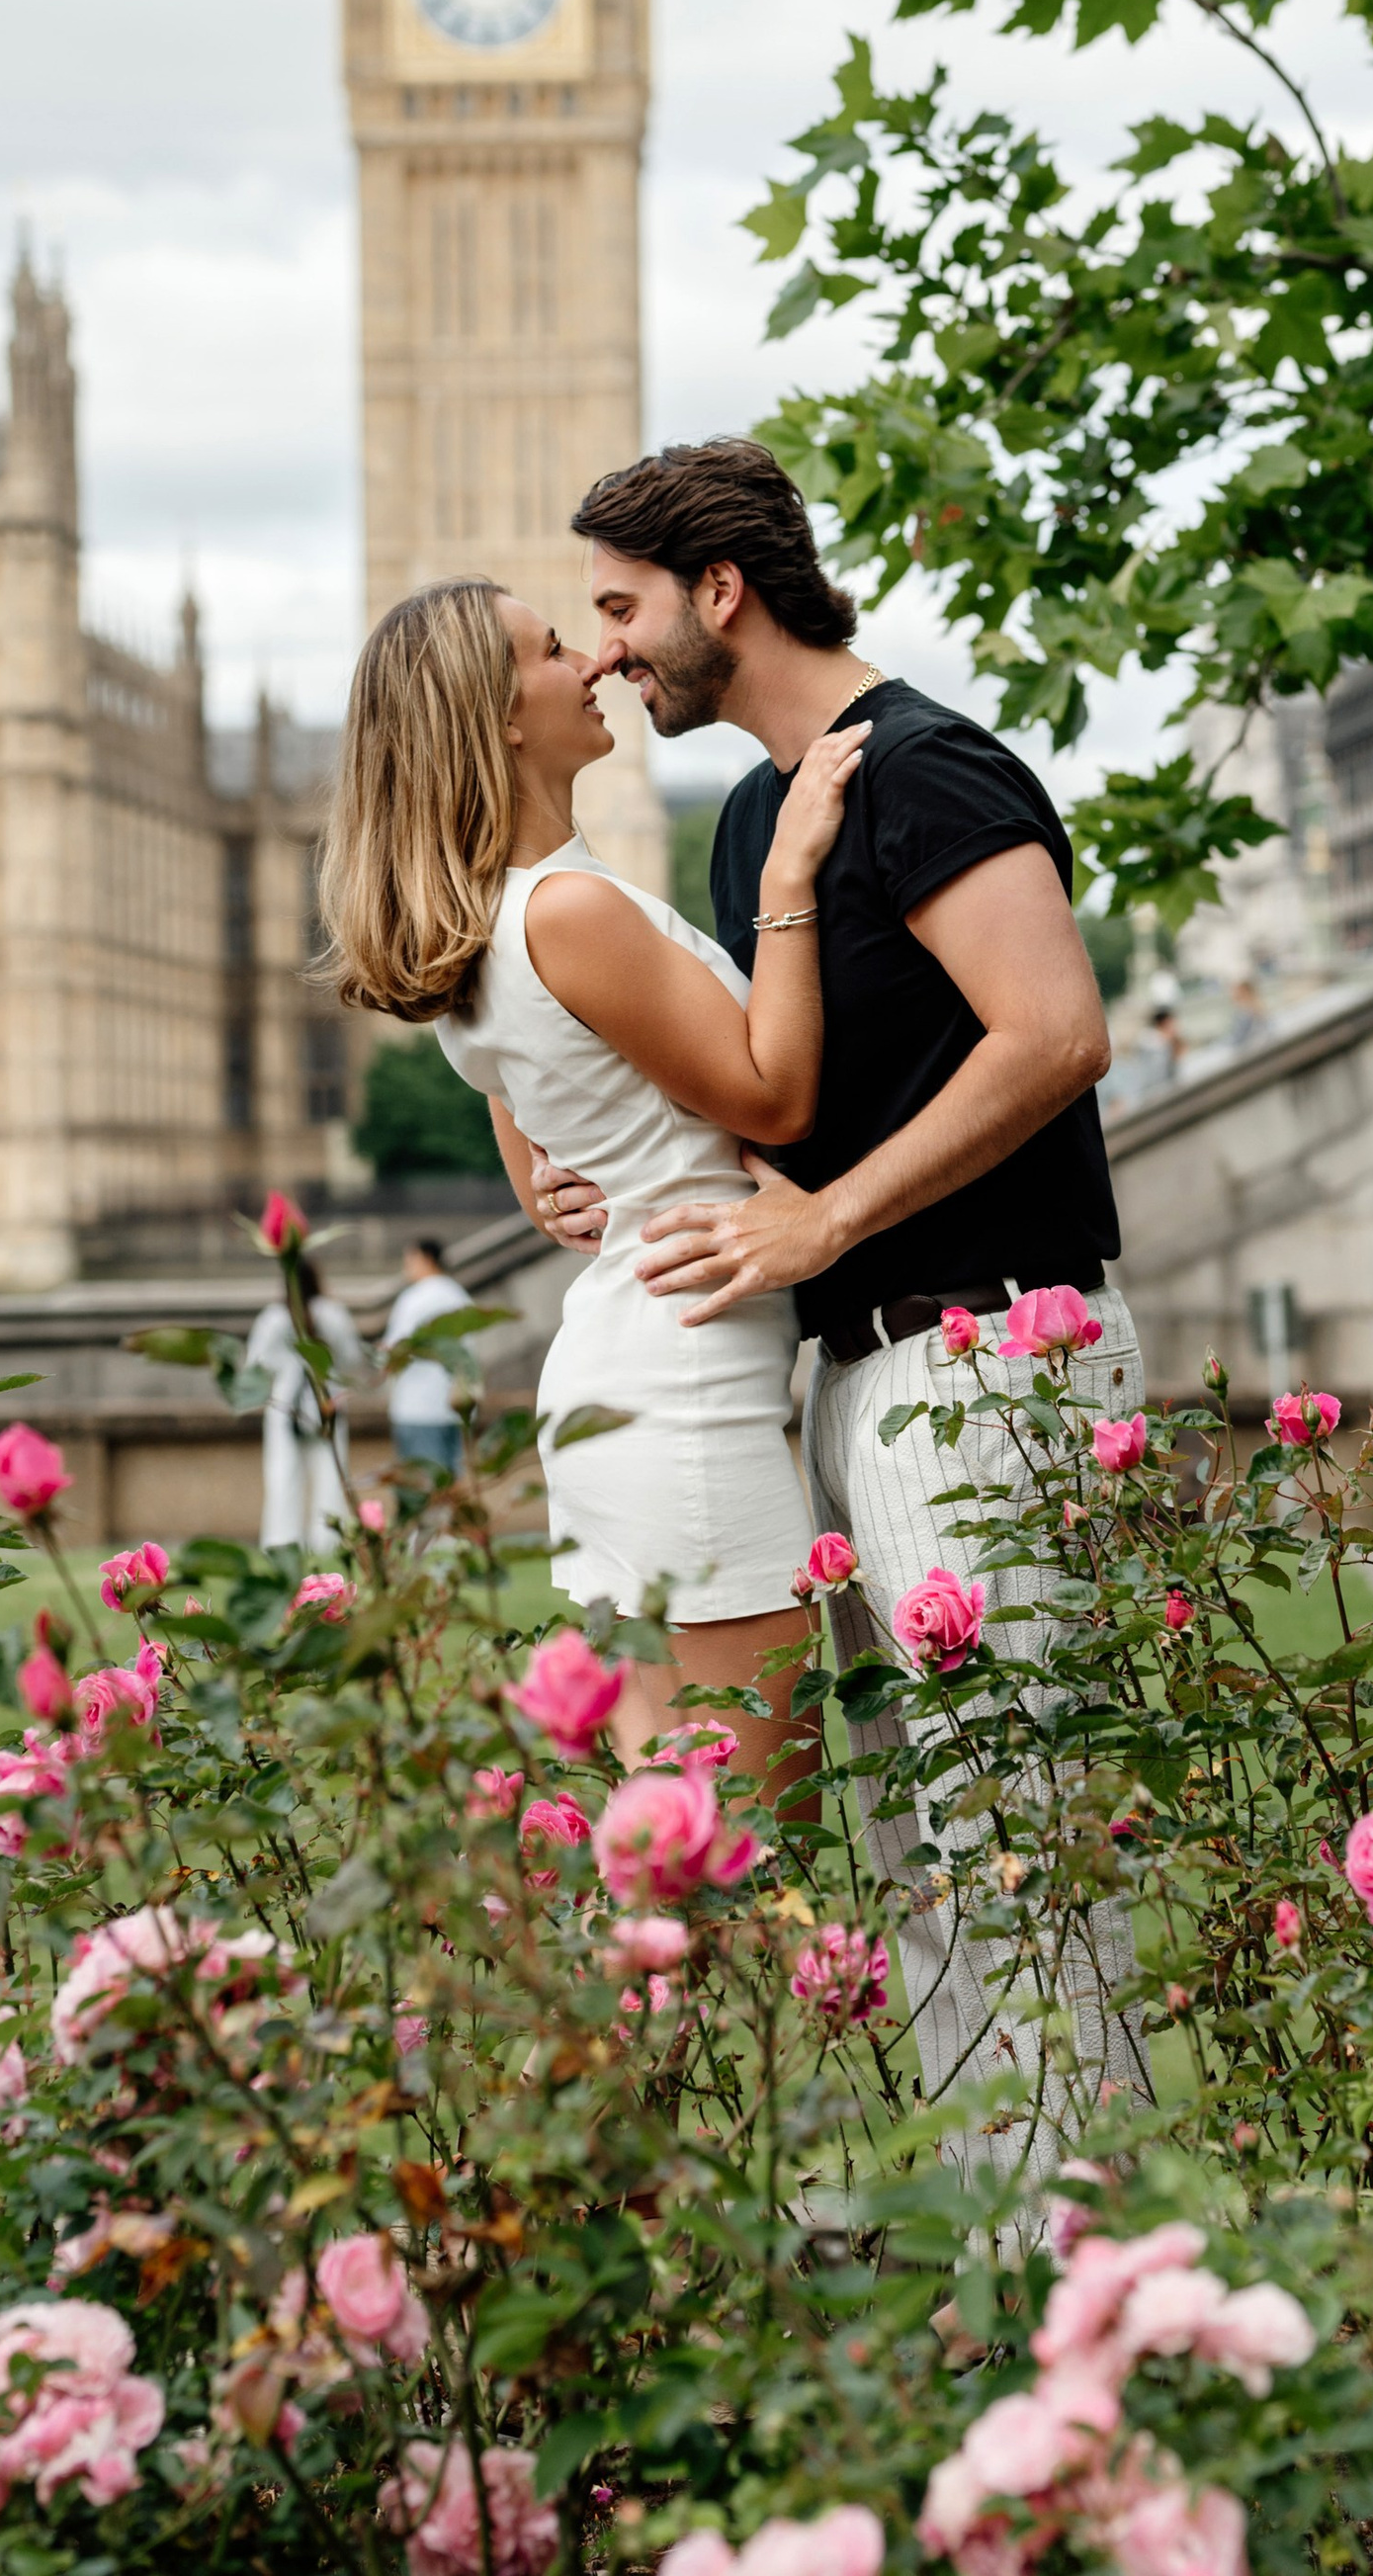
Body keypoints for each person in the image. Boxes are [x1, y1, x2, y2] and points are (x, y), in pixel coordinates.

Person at [545, 437, 1145, 2118]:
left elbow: (1059, 1032)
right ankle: (1002, 2271)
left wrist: (825, 1221)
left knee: (1020, 1844)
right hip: (859, 1377)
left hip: (989, 1355)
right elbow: (791, 1096)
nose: (600, 649)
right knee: (926, 1854)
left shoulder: (930, 768)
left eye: (617, 604)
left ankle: (1095, 2292)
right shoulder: (754, 819)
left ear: (718, 591)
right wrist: (648, 1172)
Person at [318, 574, 868, 1784]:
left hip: (634, 1379)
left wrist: (569, 1179)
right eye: (555, 647)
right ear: (498, 714)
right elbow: (771, 1095)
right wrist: (786, 887)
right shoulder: (568, 909)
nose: (597, 662)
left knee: (679, 1838)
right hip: (682, 1400)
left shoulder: (496, 922)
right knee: (747, 1834)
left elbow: (538, 1155)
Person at [245, 1251, 367, 1555]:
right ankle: (328, 1541)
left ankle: (281, 1541)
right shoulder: (333, 1314)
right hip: (327, 1401)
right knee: (330, 1475)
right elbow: (352, 1358)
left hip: (285, 1404)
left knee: (283, 1477)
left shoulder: (273, 1319)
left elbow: (255, 1365)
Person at [383, 1236, 470, 1475]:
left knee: (423, 1483)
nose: (406, 1267)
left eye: (410, 1259)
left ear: (427, 1259)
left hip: (417, 1406)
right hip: (452, 1406)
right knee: (450, 1484)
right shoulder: (458, 1295)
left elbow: (395, 1349)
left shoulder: (415, 1298)